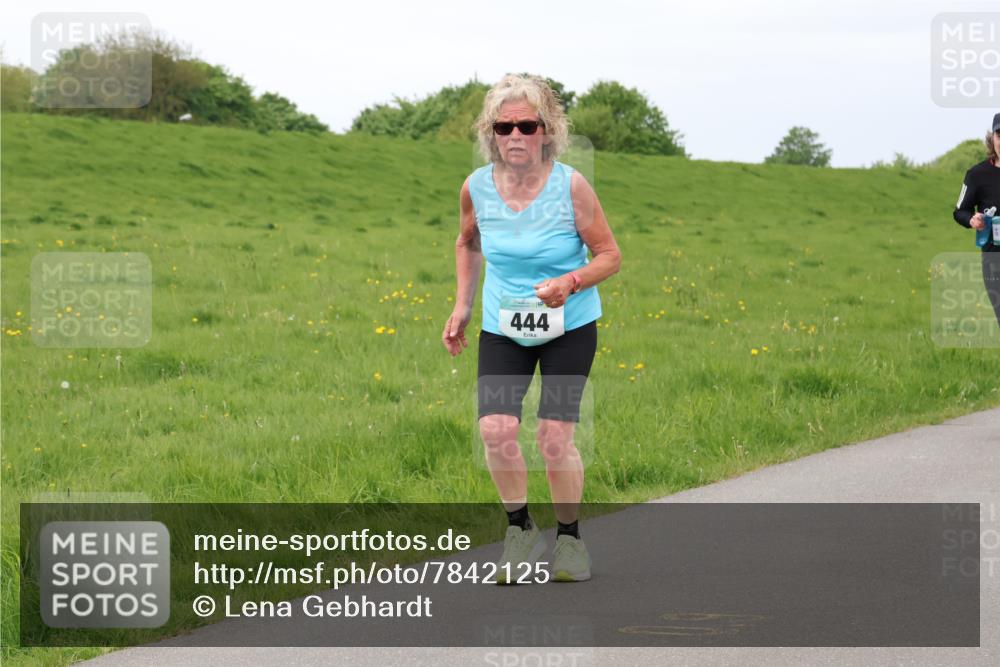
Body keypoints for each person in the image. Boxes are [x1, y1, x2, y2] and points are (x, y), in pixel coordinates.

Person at [442, 74, 621, 583]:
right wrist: (462, 306)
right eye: (505, 127)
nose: (515, 135)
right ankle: (520, 531)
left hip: (569, 325)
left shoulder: (571, 186)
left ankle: (569, 542)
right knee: (495, 429)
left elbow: (610, 255)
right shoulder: (476, 187)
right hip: (504, 325)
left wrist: (570, 281)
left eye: (527, 125)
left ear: (547, 131)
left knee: (553, 438)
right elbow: (467, 243)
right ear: (491, 133)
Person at [953, 112, 1000, 327]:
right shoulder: (977, 175)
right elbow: (959, 211)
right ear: (992, 139)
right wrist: (972, 220)